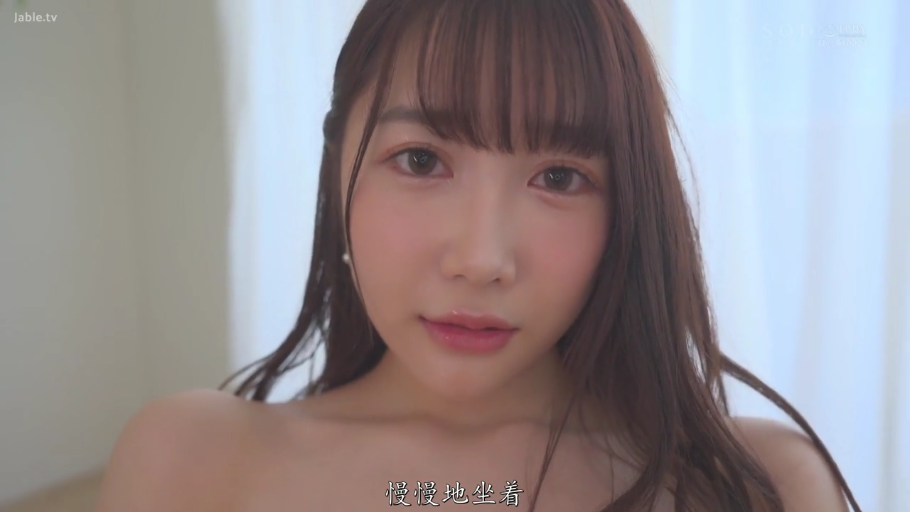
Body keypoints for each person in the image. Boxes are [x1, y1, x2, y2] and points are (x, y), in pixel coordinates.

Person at [95, 0, 863, 510]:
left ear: (628, 209)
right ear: (339, 173)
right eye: (421, 160)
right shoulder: (189, 461)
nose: (481, 258)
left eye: (558, 178)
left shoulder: (760, 485)